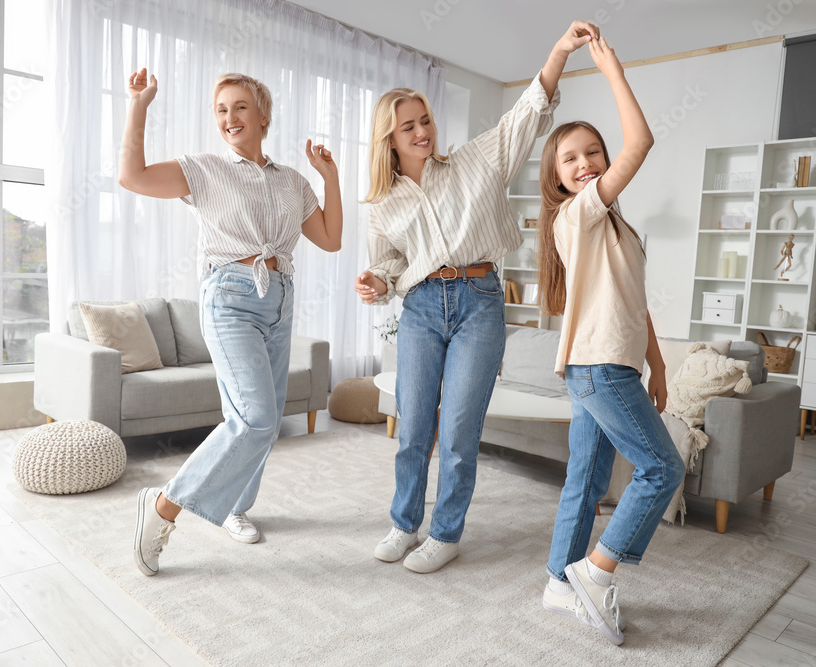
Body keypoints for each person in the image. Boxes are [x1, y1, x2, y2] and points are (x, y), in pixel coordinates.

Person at [355, 21, 600, 575]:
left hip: (480, 301)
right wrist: (375, 282)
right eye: (408, 127)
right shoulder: (382, 203)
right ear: (389, 139)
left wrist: (559, 50)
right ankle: (402, 524)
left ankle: (445, 534)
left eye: (425, 121)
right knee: (413, 427)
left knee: (461, 430)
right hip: (419, 308)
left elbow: (528, 115)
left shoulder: (473, 162)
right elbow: (388, 266)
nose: (422, 132)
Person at [119, 68, 343, 576]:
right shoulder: (204, 170)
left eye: (240, 107)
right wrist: (139, 104)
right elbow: (131, 176)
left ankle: (236, 507)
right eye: (221, 110)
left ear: (263, 116)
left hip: (280, 299)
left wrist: (330, 179)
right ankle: (162, 507)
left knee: (255, 420)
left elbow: (329, 239)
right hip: (229, 297)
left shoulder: (292, 181)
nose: (229, 117)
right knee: (258, 417)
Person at [535, 36, 685, 645]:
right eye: (570, 159)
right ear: (558, 179)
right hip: (598, 367)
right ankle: (598, 573)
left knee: (587, 479)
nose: (586, 163)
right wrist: (612, 71)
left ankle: (559, 581)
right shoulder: (577, 215)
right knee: (661, 468)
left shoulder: (618, 227)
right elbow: (642, 142)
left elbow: (638, 307)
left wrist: (660, 368)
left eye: (593, 151)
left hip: (605, 366)